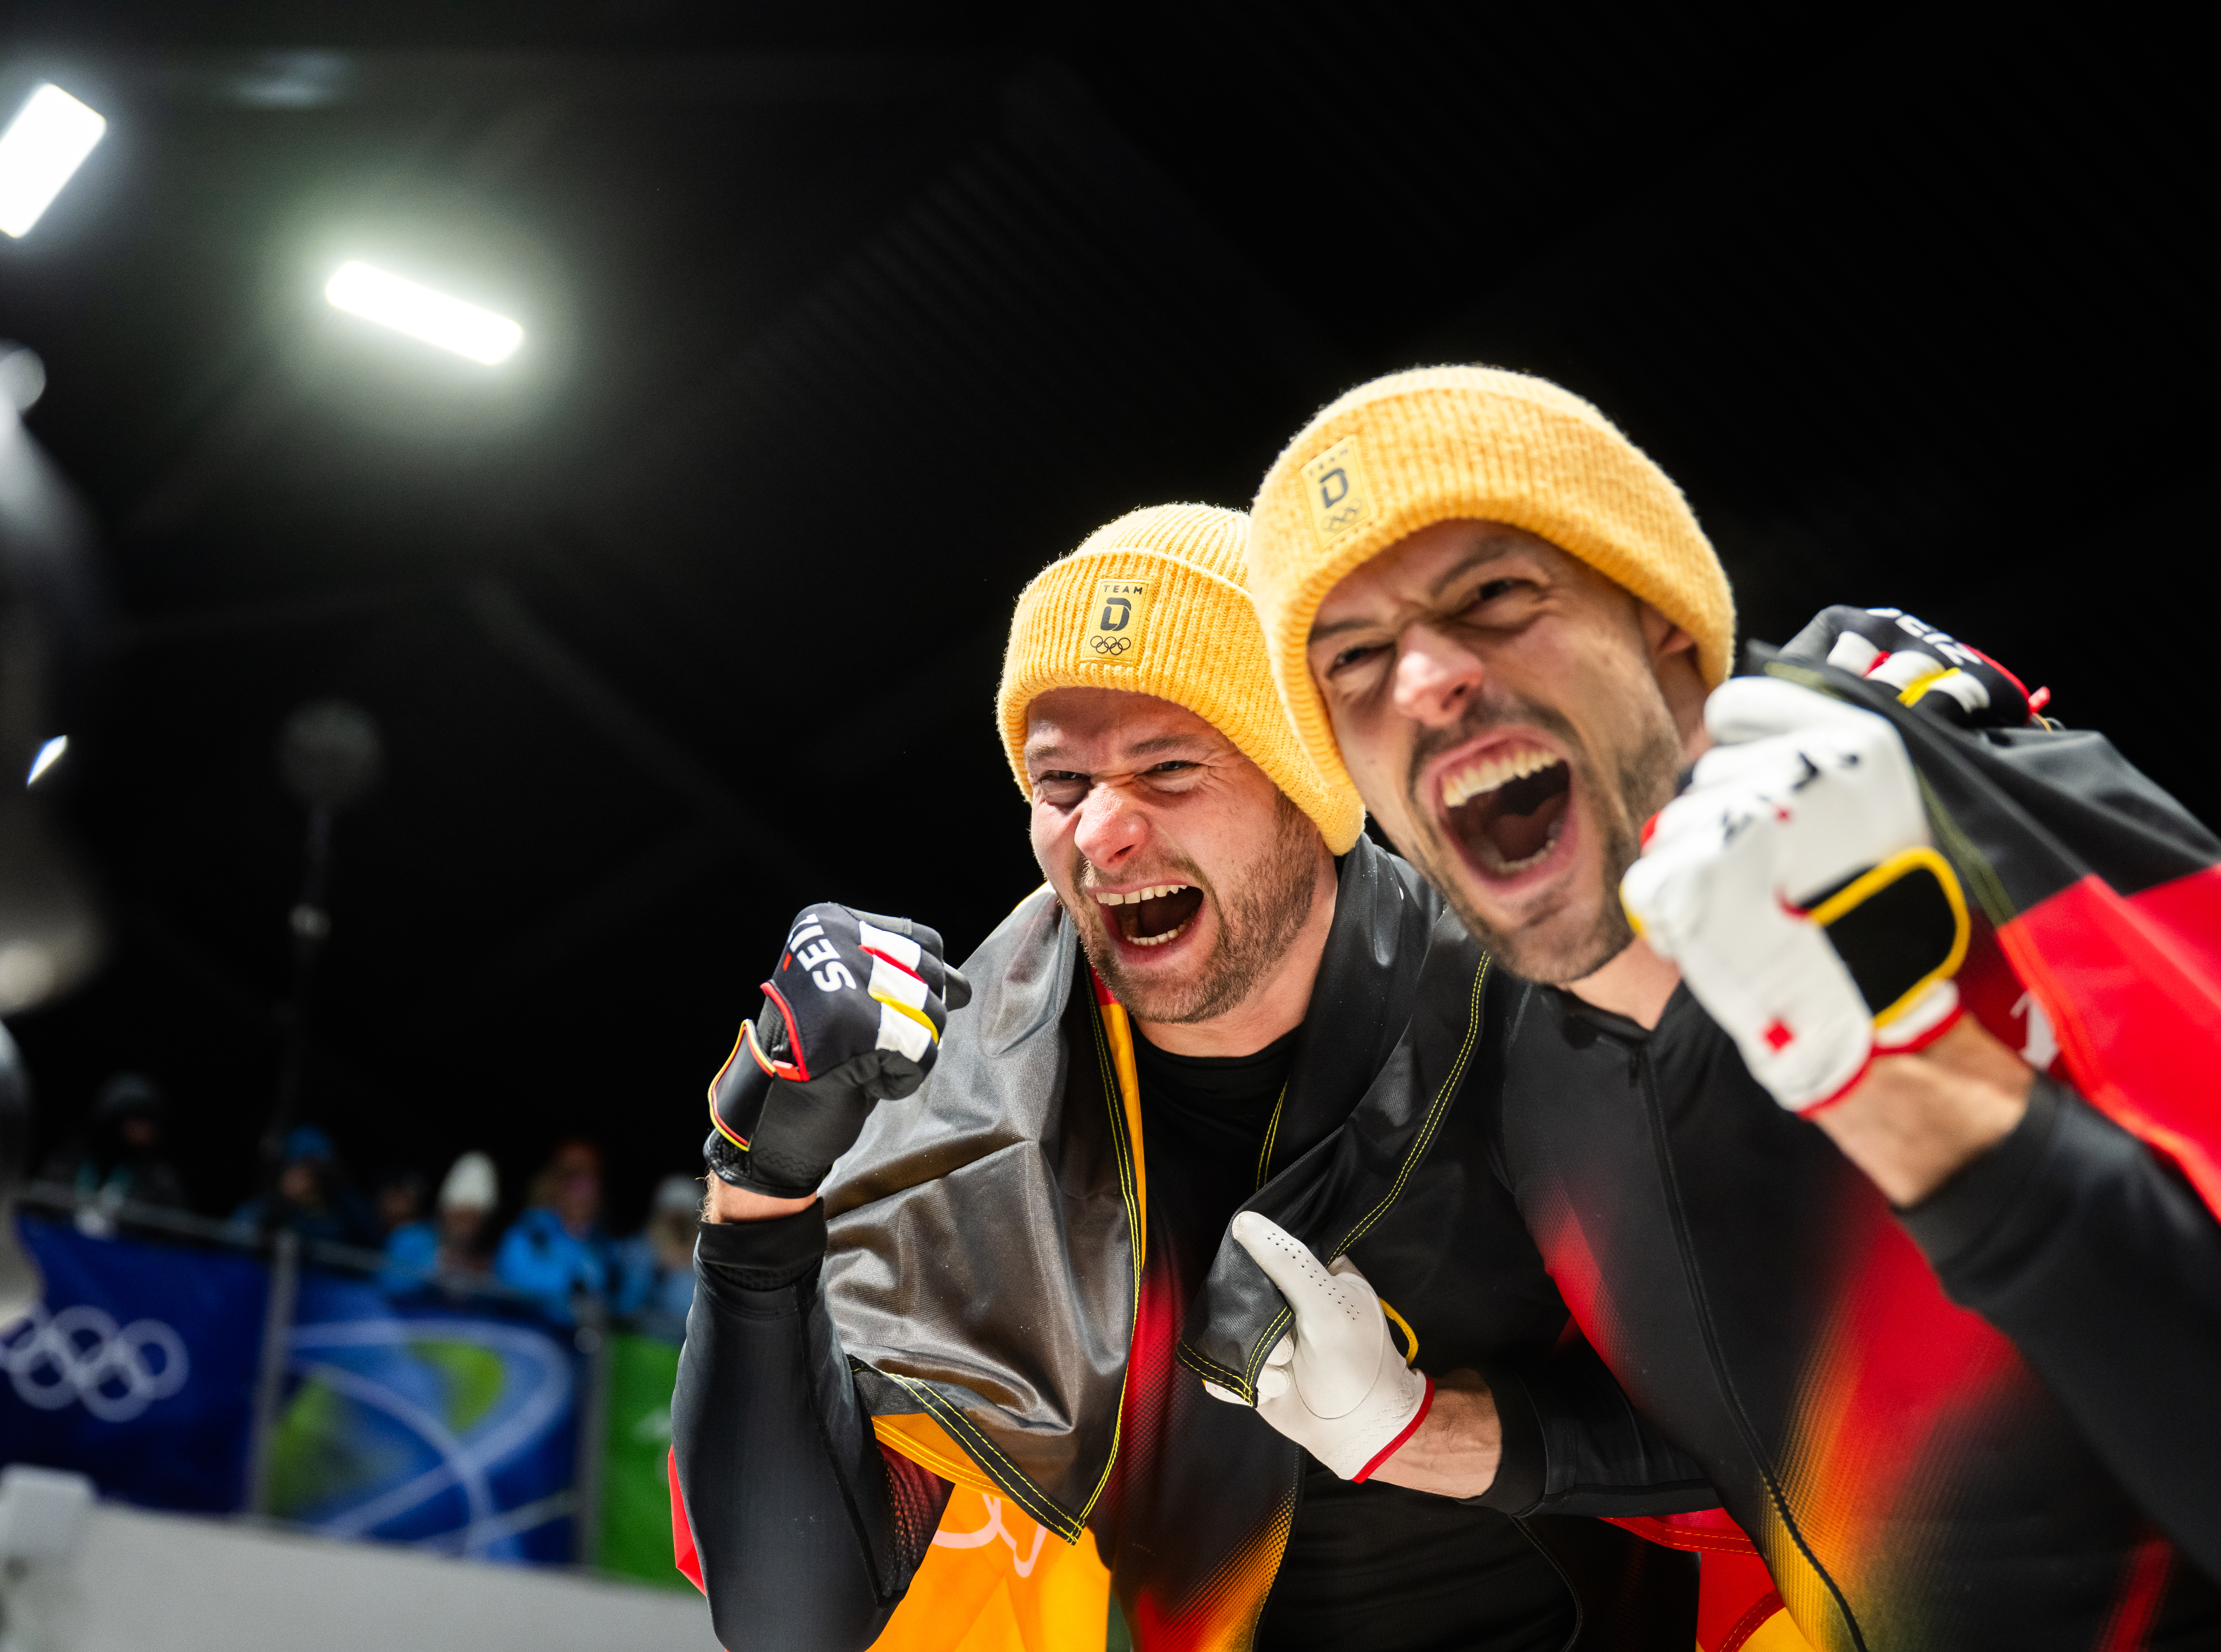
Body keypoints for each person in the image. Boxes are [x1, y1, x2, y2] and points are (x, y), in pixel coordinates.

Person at [1226, 365, 2221, 1647]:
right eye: (1349, 660)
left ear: (1668, 632)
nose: (1422, 678)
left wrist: (1911, 1070)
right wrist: (1442, 1436)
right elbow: (1787, 1446)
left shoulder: (1957, 831)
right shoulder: (1514, 1068)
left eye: (1492, 593)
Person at [673, 507, 1714, 1652]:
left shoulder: (1537, 1006)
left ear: (1308, 776)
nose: (1102, 832)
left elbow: (1830, 1427)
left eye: (1169, 766)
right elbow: (795, 1613)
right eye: (1059, 780)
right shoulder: (977, 1086)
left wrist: (1428, 1433)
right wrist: (758, 1193)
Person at [37, 1072, 189, 1211]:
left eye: (150, 1123)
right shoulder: (66, 1166)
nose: (146, 1130)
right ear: (113, 1120)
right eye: (137, 1120)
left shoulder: (160, 1184)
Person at [495, 1140, 611, 1322]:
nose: (578, 1187)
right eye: (568, 1175)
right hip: (527, 1336)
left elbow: (626, 1304)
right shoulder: (528, 1233)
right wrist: (574, 1285)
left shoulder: (606, 1245)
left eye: (588, 1178)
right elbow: (516, 1278)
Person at [228, 1125, 374, 1246]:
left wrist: (312, 1202)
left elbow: (368, 1243)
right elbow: (234, 1253)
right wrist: (283, 1204)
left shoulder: (344, 1207)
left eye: (318, 1169)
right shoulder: (256, 1210)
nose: (310, 1177)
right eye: (303, 1166)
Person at [382, 1151, 499, 1289]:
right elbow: (388, 1285)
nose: (466, 1226)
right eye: (461, 1216)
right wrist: (438, 1266)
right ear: (445, 1213)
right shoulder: (407, 1239)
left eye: (475, 1219)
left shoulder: (487, 1261)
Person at [611, 1175, 700, 1343]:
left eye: (685, 1217)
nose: (678, 1225)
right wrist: (657, 1268)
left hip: (687, 1349)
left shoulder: (706, 1259)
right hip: (642, 1344)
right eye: (672, 1214)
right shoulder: (638, 1250)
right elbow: (625, 1307)